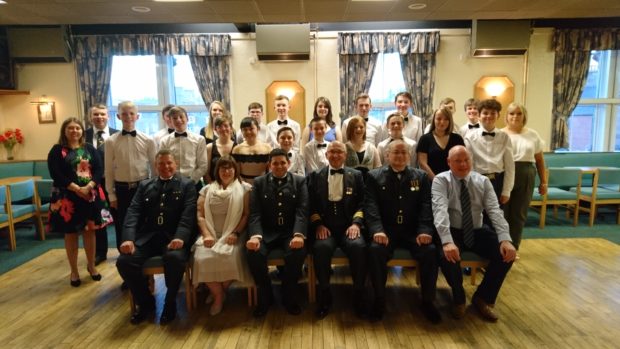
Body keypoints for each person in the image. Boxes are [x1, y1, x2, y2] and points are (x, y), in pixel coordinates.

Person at [431, 145, 516, 322]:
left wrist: (505, 239)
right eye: (457, 161)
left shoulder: (483, 182)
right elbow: (440, 212)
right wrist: (446, 241)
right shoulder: (441, 180)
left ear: (471, 161)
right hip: (452, 230)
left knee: (506, 255)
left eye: (466, 160)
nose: (462, 164)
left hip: (477, 230)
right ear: (449, 162)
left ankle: (484, 298)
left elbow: (494, 211)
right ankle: (458, 298)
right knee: (447, 257)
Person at [116, 149, 197, 325]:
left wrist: (181, 237)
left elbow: (188, 215)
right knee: (124, 261)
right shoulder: (145, 185)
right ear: (155, 166)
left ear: (176, 164)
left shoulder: (187, 185)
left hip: (174, 238)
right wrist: (128, 238)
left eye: (169, 163)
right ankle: (146, 303)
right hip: (149, 237)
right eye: (161, 163)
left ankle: (170, 303)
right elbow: (133, 212)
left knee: (174, 259)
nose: (165, 167)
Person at [364, 140, 441, 323]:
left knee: (430, 252)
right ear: (387, 155)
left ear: (409, 156)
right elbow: (371, 206)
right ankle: (379, 299)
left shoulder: (420, 177)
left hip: (412, 232)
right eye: (395, 152)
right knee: (375, 251)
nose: (399, 156)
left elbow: (425, 206)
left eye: (403, 153)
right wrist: (377, 230)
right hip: (385, 231)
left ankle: (428, 301)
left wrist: (424, 230)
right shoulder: (374, 176)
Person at [47, 117, 113, 287]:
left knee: (90, 231)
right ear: (64, 131)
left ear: (82, 131)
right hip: (67, 197)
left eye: (77, 128)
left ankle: (91, 267)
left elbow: (99, 169)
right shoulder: (56, 150)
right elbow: (56, 174)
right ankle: (74, 271)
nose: (74, 131)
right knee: (70, 234)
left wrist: (89, 186)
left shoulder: (89, 148)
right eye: (70, 128)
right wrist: (77, 189)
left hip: (90, 195)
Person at [246, 148, 308, 317]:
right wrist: (255, 236)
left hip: (290, 231)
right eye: (275, 163)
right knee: (254, 253)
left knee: (297, 252)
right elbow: (255, 213)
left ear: (288, 164)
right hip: (267, 232)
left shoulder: (300, 181)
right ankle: (266, 296)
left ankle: (289, 297)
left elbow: (302, 211)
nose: (279, 166)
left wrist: (298, 234)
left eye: (282, 163)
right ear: (269, 165)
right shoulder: (259, 183)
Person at [307, 141, 366, 319]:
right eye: (331, 152)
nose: (335, 155)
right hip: (326, 227)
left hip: (350, 227)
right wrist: (318, 225)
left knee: (358, 247)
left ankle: (358, 295)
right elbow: (309, 205)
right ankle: (325, 296)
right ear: (326, 155)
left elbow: (364, 203)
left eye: (339, 152)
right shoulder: (315, 176)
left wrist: (356, 224)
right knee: (321, 248)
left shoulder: (357, 175)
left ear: (345, 155)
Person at [192, 156, 252, 316]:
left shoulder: (245, 189)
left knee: (230, 256)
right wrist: (205, 235)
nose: (226, 171)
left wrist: (235, 233)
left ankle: (218, 294)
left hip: (234, 232)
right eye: (222, 168)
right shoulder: (206, 190)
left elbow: (246, 215)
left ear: (235, 170)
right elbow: (200, 215)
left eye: (230, 168)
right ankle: (219, 294)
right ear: (217, 171)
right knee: (202, 257)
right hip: (210, 232)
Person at [104, 101, 157, 273]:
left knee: (143, 227)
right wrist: (111, 195)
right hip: (122, 190)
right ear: (118, 116)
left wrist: (155, 190)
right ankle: (127, 272)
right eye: (124, 114)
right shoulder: (111, 141)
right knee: (123, 228)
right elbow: (108, 170)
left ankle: (144, 269)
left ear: (137, 116)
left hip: (143, 187)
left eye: (131, 113)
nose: (128, 117)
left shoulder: (148, 140)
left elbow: (154, 167)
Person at [501, 103, 547, 250]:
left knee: (519, 213)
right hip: (504, 173)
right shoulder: (500, 134)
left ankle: (514, 246)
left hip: (526, 173)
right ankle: (501, 246)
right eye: (512, 113)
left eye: (519, 113)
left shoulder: (533, 135)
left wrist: (544, 182)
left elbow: (539, 160)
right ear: (506, 116)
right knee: (502, 212)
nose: (515, 116)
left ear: (524, 116)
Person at [84, 104, 118, 265]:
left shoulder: (117, 134)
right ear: (90, 117)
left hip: (115, 182)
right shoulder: (83, 136)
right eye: (96, 114)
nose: (99, 117)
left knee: (119, 218)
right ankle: (100, 253)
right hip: (93, 184)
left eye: (102, 114)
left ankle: (122, 250)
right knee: (99, 219)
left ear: (108, 116)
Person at [464, 99, 514, 205]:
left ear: (498, 115)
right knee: (477, 216)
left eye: (493, 113)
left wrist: (506, 191)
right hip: (477, 179)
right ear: (479, 115)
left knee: (496, 216)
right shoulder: (469, 137)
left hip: (498, 181)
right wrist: (470, 186)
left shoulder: (504, 137)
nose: (489, 116)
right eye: (485, 113)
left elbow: (510, 166)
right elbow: (469, 165)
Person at [159, 106, 209, 191]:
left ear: (187, 118)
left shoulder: (199, 139)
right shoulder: (164, 141)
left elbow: (203, 166)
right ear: (170, 121)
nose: (178, 120)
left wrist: (190, 181)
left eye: (181, 117)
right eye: (174, 118)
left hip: (193, 183)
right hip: (171, 184)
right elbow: (162, 164)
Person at [417, 107, 465, 182]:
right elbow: (422, 163)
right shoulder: (425, 139)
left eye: (446, 119)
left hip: (454, 181)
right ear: (434, 120)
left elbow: (462, 160)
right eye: (438, 119)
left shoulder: (457, 139)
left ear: (450, 121)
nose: (442, 122)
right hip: (431, 181)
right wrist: (436, 180)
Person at [232, 117, 272, 184]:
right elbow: (237, 172)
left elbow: (270, 171)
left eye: (251, 129)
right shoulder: (237, 149)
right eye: (245, 130)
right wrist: (244, 185)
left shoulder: (267, 148)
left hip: (263, 184)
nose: (248, 132)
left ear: (258, 129)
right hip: (243, 185)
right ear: (241, 131)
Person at [344, 115, 381, 180]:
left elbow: (378, 169)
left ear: (365, 129)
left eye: (361, 127)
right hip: (350, 184)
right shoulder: (344, 148)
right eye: (355, 127)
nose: (359, 129)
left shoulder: (372, 147)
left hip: (368, 186)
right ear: (350, 129)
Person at [205, 116, 236, 184]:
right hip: (214, 185)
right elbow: (206, 173)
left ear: (231, 128)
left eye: (226, 126)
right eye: (219, 127)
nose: (223, 129)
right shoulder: (209, 147)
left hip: (234, 186)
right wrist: (212, 186)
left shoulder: (237, 147)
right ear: (215, 130)